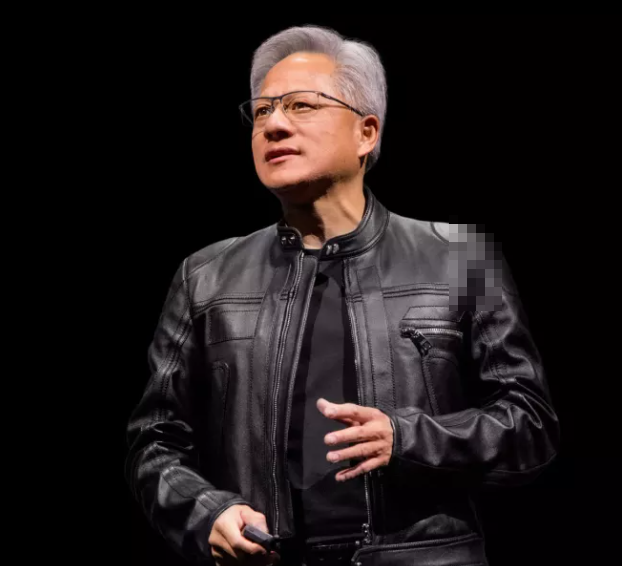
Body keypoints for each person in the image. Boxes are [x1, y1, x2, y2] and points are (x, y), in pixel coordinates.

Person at [125, 24, 559, 566]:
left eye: (301, 105)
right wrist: (206, 512)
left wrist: (407, 438)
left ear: (366, 133)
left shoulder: (458, 258)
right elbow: (154, 442)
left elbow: (531, 427)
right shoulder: (206, 276)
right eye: (261, 111)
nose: (274, 124)